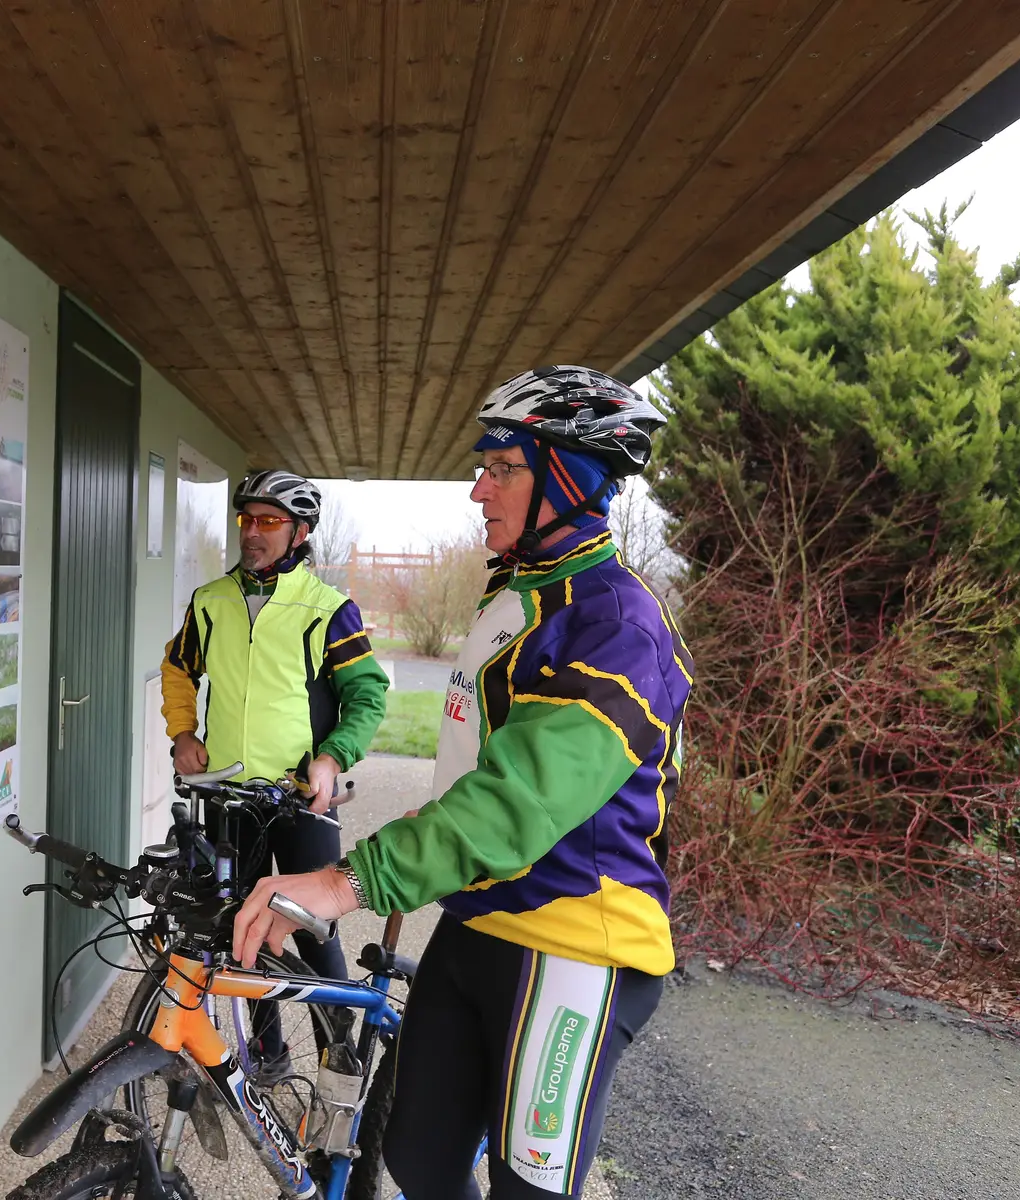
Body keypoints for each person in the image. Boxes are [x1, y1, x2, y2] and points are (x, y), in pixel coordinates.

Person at [232, 367, 690, 1199]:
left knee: (527, 1192)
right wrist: (428, 826)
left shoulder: (614, 625)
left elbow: (517, 804)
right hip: (480, 918)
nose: (480, 487)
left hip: (575, 945)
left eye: (504, 467)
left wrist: (348, 881)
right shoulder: (517, 596)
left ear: (569, 479)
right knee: (418, 1158)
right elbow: (484, 766)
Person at [161, 469, 388, 1010]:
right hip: (230, 796)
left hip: (299, 798)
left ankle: (339, 1057)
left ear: (300, 533)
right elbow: (177, 669)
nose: (252, 533)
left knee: (315, 932)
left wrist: (332, 758)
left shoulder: (328, 609)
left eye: (268, 521)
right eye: (246, 519)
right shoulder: (210, 601)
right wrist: (183, 731)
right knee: (244, 932)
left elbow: (367, 695)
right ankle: (266, 1054)